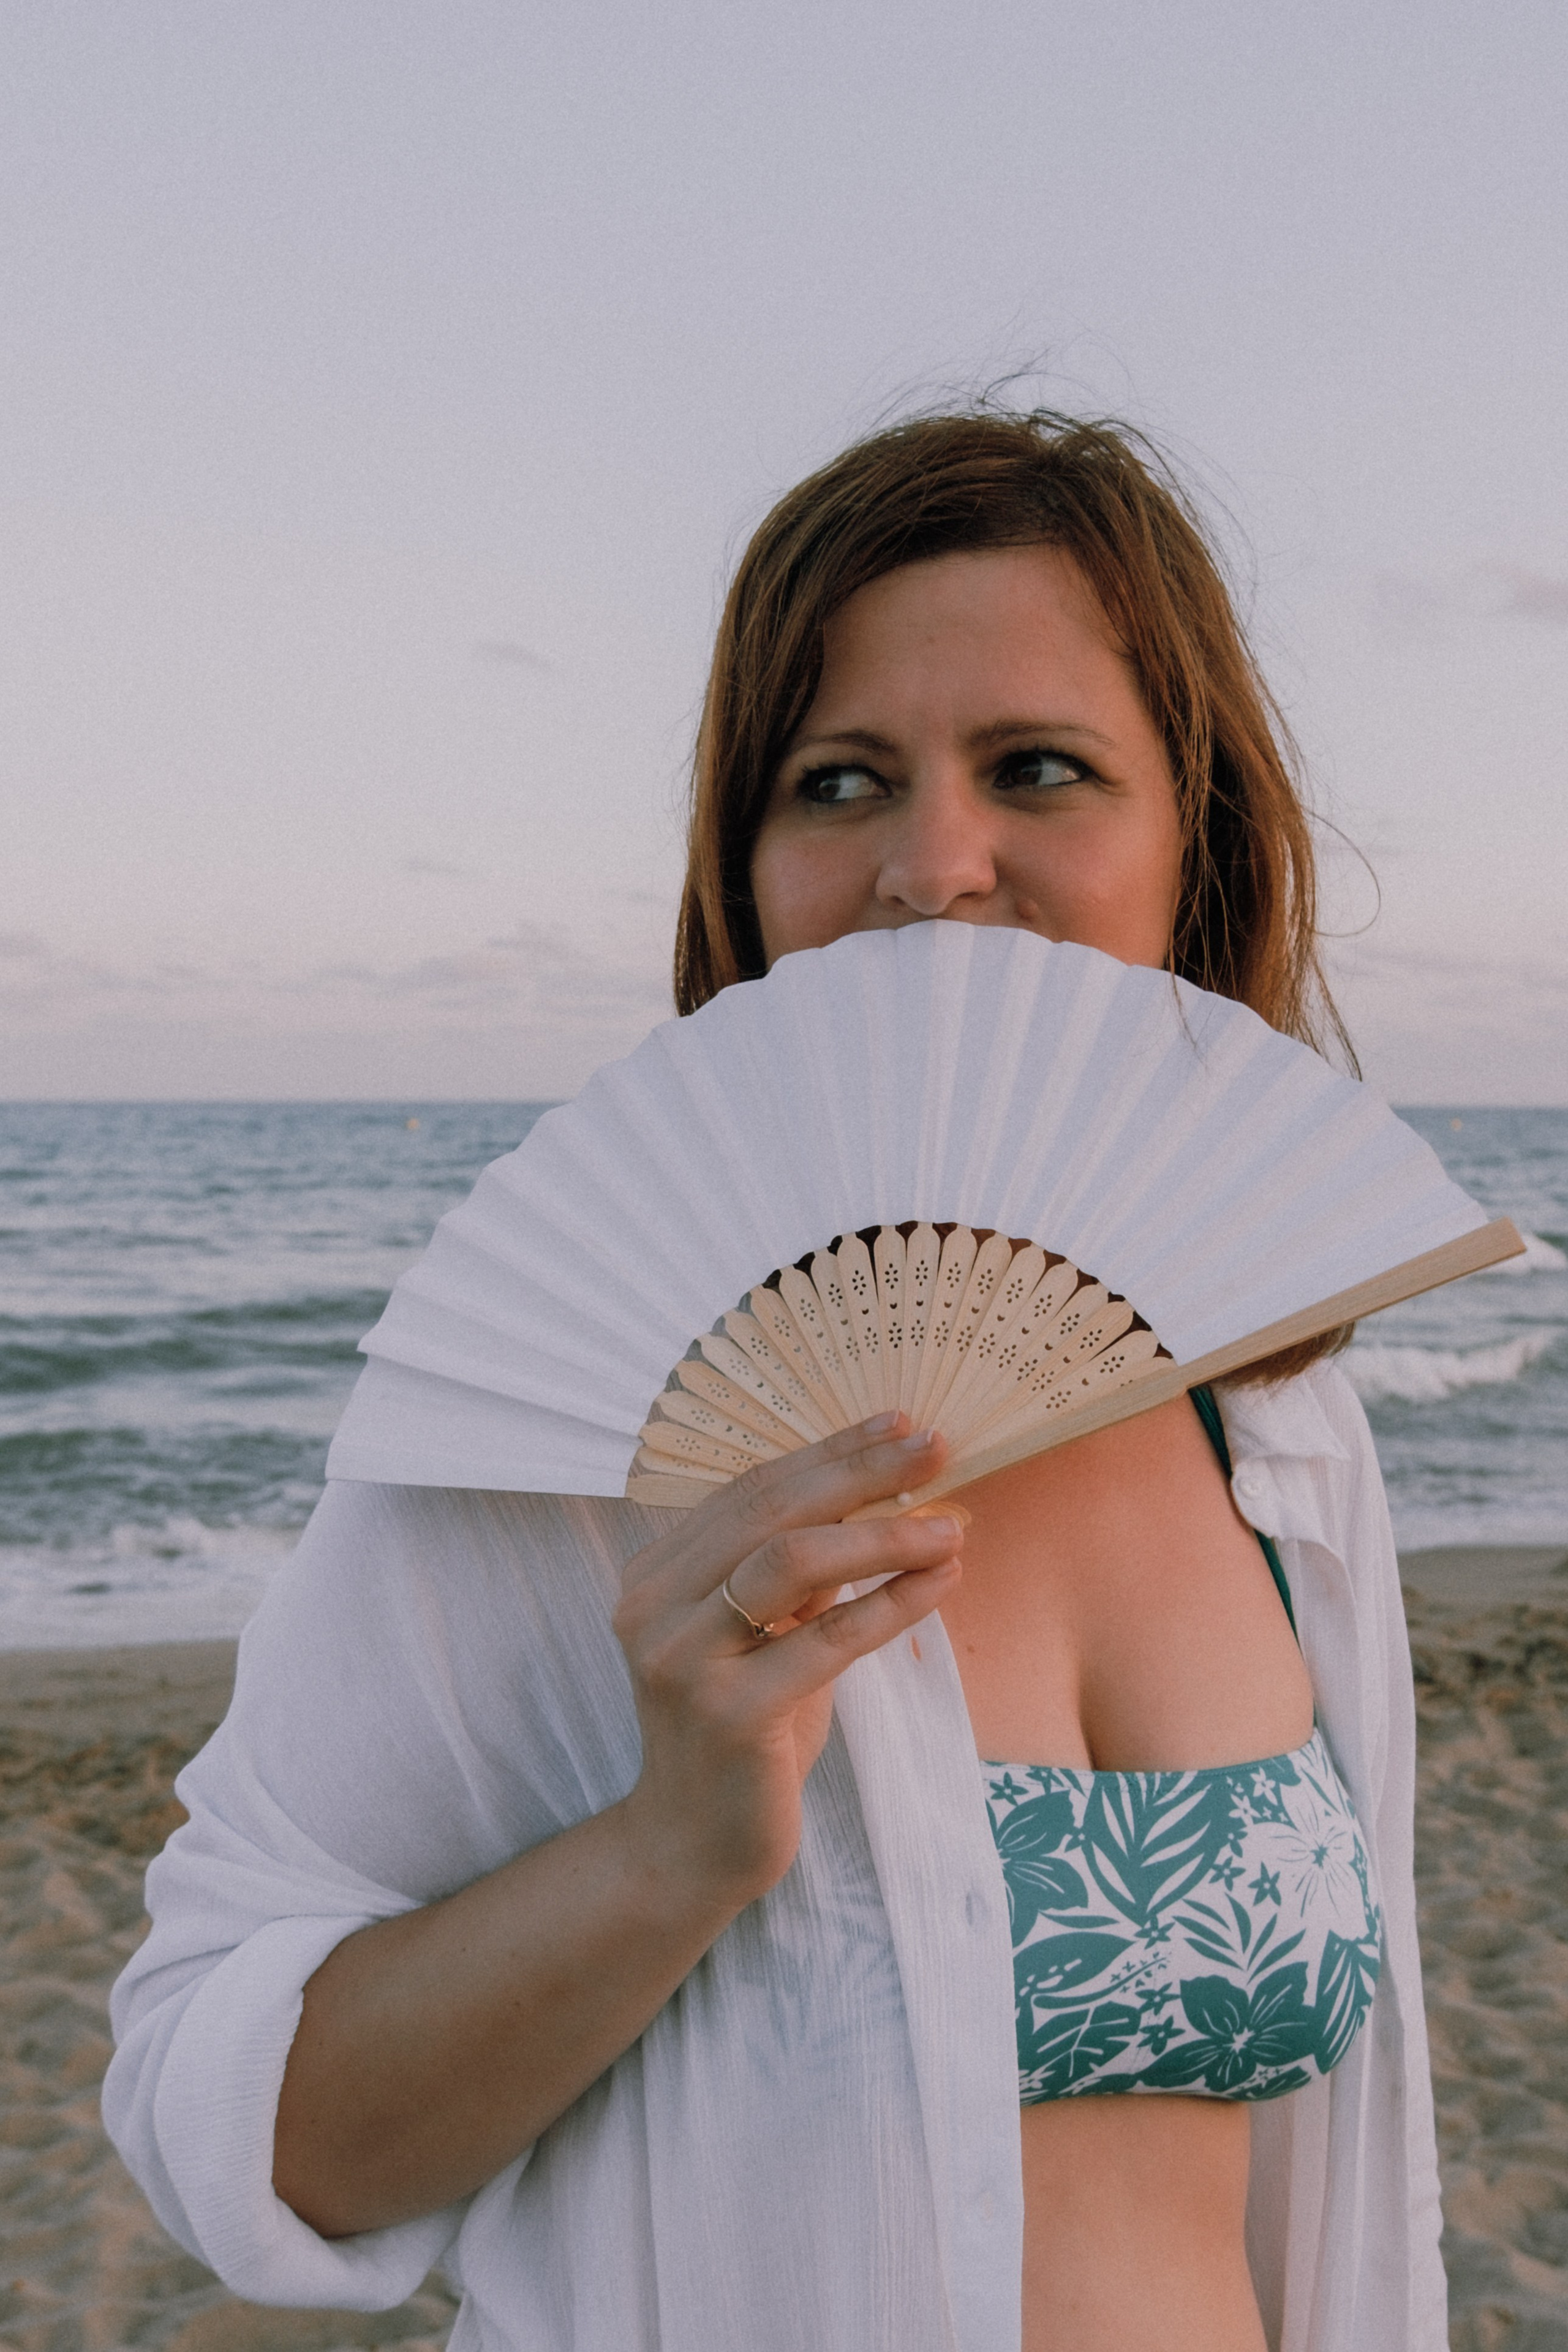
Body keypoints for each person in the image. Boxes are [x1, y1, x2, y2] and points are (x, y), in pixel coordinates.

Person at [105, 411, 1447, 2351]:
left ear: (1198, 843)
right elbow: (228, 2127)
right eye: (838, 781)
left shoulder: (1275, 1434)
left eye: (1040, 769)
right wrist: (667, 1852)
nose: (933, 866)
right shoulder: (574, 1438)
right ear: (744, 872)